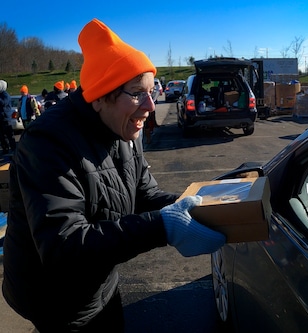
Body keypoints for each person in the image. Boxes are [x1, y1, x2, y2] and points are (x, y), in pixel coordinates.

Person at [1, 18, 226, 333]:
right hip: (53, 296)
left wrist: (197, 208)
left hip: (99, 281)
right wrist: (164, 227)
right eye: (136, 93)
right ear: (99, 98)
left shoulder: (125, 131)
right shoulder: (47, 143)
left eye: (151, 92)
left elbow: (143, 195)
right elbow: (64, 246)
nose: (150, 105)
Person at [0, 80, 16, 154]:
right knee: (2, 136)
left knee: (10, 135)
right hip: (1, 119)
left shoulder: (5, 95)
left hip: (6, 118)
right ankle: (5, 149)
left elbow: (3, 103)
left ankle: (14, 149)